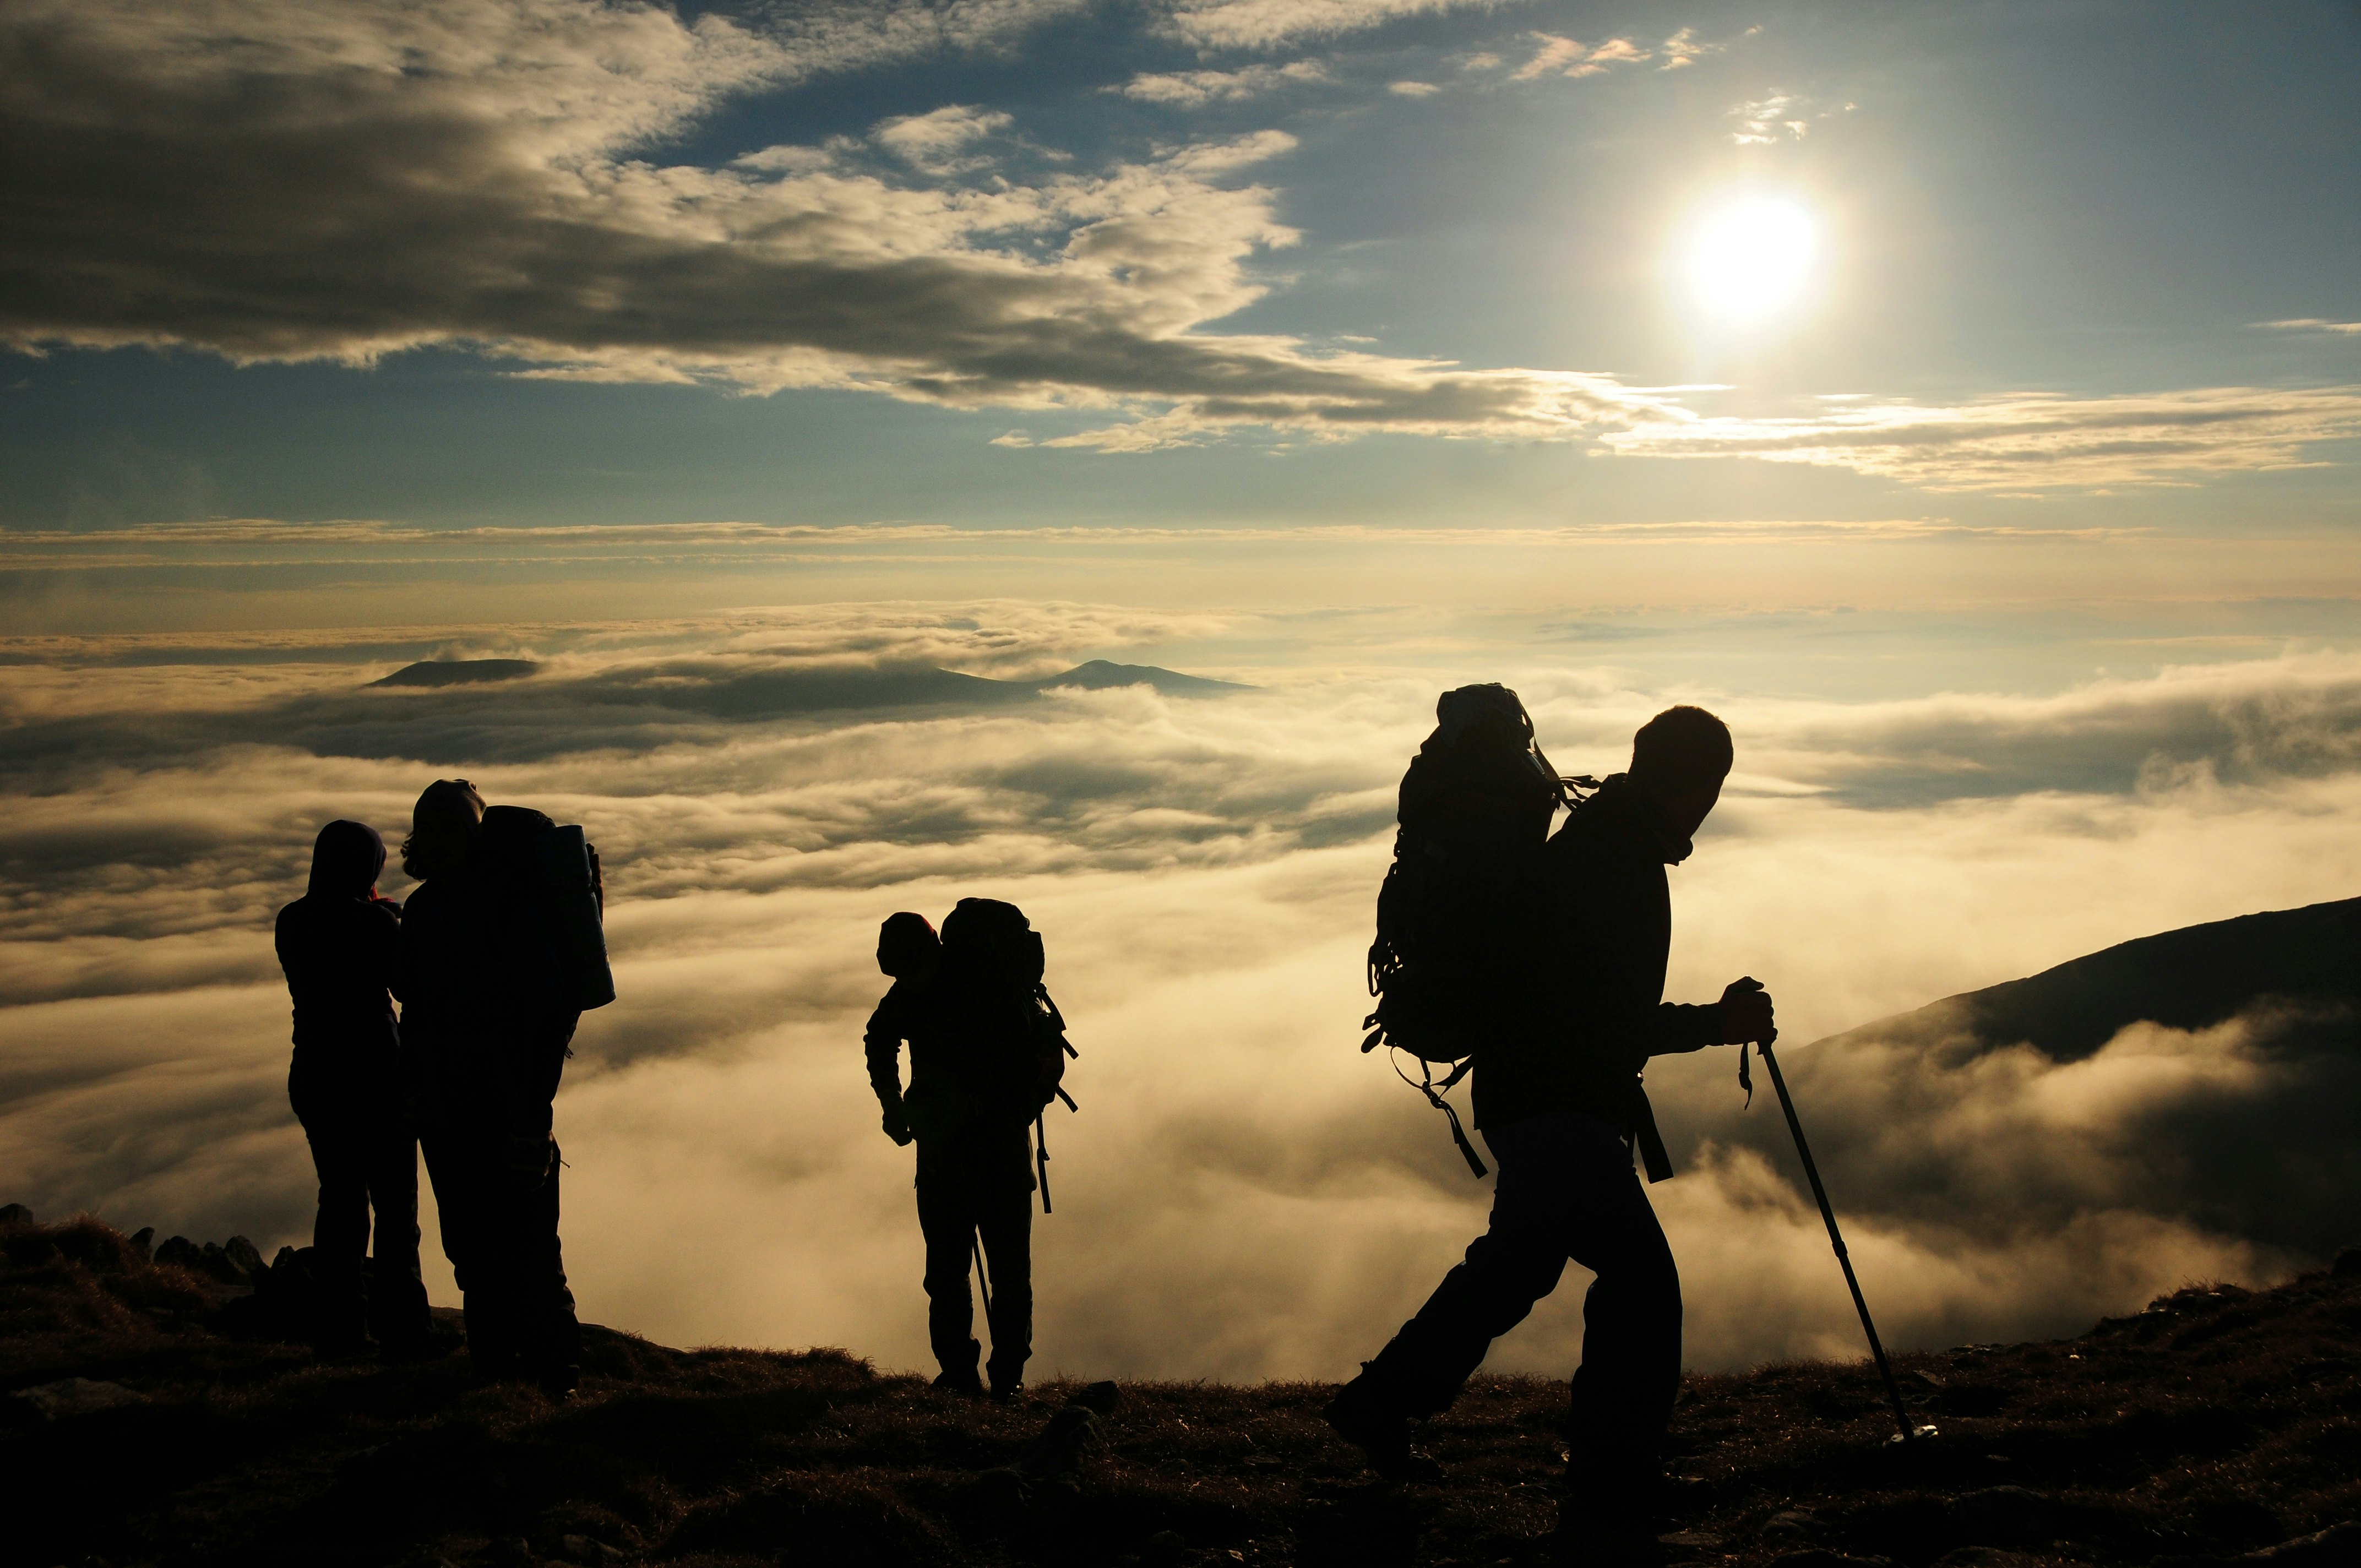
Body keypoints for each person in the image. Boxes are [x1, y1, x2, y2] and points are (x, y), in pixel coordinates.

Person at [1325, 705, 1775, 1564]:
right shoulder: (1615, 857)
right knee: (1642, 1282)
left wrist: (1706, 1022)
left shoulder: (1606, 839)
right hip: (1555, 1100)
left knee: (1518, 1264)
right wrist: (1715, 1025)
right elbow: (1602, 1017)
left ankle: (1380, 1403)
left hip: (1535, 1096)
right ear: (1703, 784)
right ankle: (1612, 1481)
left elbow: (1582, 1001)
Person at [394, 780, 585, 1397]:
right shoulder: (423, 911)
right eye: (430, 828)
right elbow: (416, 1009)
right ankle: (499, 1379)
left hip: (508, 1111)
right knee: (475, 1254)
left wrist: (532, 1120)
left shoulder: (507, 907)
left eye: (451, 828)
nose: (439, 841)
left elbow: (546, 1017)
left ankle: (556, 1384)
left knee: (528, 1253)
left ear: (476, 838)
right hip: (450, 1112)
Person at [864, 903, 1049, 1401]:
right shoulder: (916, 991)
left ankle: (990, 1376)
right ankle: (982, 1377)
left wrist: (898, 1105)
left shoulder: (978, 990)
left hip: (978, 1152)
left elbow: (880, 1039)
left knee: (972, 1272)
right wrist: (893, 1103)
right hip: (985, 1153)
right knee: (973, 1273)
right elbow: (879, 1039)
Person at [273, 818, 432, 1356]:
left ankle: (340, 1330)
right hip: (376, 1076)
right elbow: (409, 984)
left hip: (315, 1076)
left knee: (339, 1201)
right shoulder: (377, 925)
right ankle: (404, 1331)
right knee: (394, 1209)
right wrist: (391, 916)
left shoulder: (290, 920)